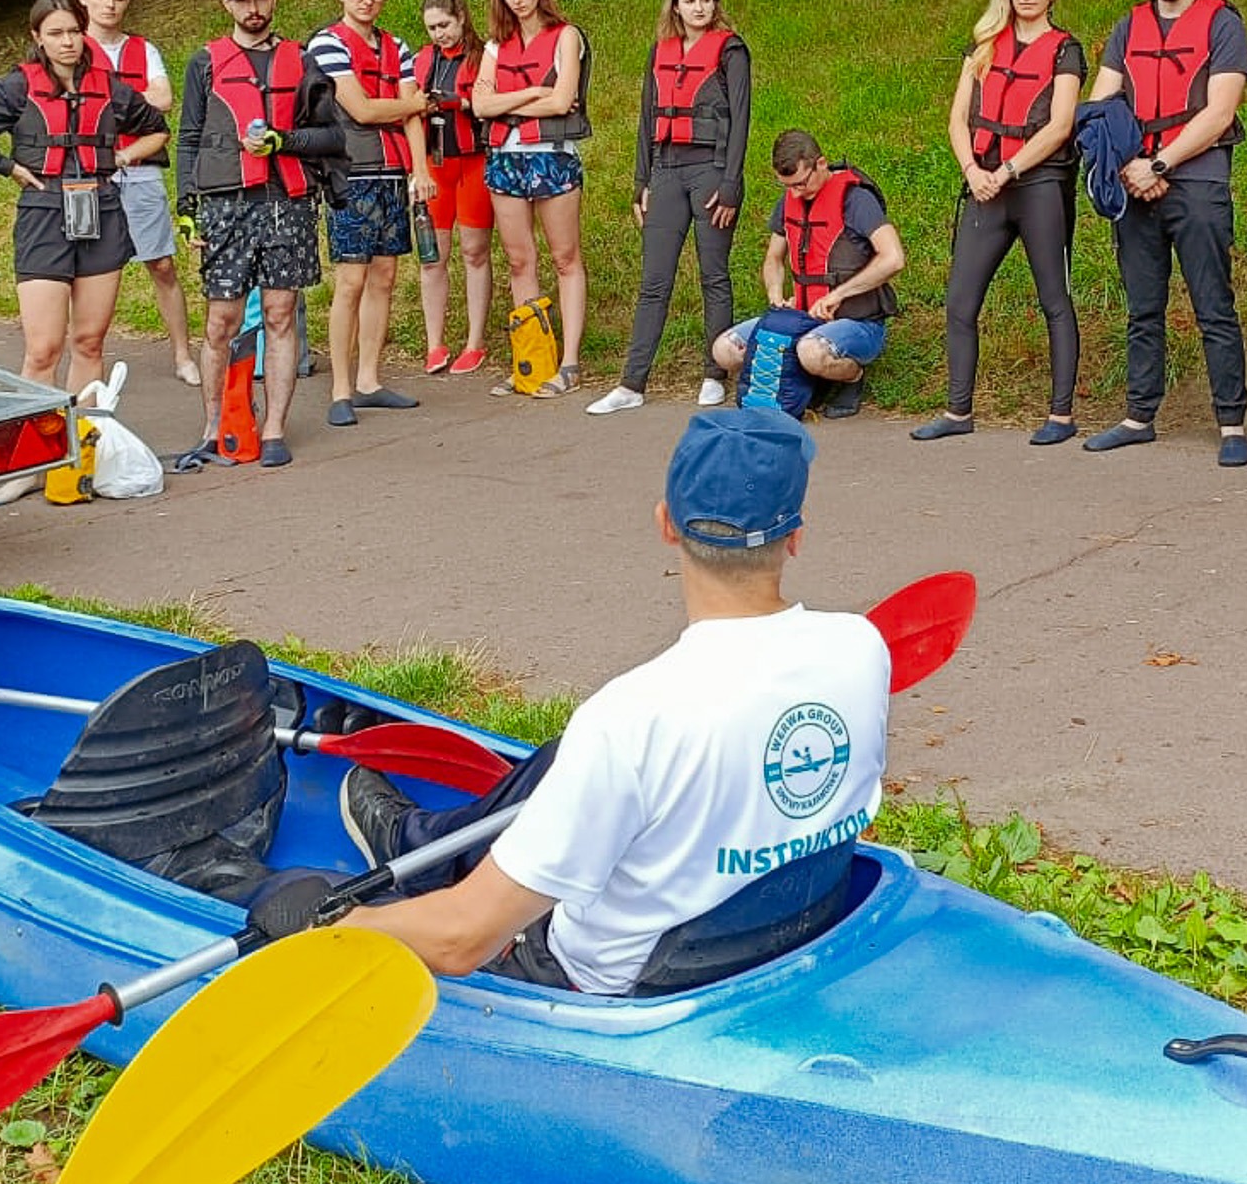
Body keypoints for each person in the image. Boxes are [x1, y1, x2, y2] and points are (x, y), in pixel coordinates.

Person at [289, 406, 891, 992]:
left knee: (280, 895)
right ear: (796, 537)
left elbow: (461, 941)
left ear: (665, 524)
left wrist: (332, 923)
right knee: (561, 758)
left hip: (605, 978)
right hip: (769, 931)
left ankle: (415, 859)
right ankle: (429, 844)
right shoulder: (862, 649)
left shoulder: (629, 717)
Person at [0, 0, 169, 503]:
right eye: (55, 33)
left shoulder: (110, 89)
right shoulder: (16, 88)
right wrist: (7, 166)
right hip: (44, 217)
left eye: (73, 31)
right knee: (42, 349)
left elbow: (157, 131)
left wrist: (119, 159)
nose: (68, 41)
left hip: (102, 214)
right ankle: (25, 463)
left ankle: (77, 460)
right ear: (37, 39)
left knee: (90, 342)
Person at [1080, 0, 1247, 465]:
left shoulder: (1223, 24)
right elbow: (1101, 106)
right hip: (1134, 177)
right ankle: (1138, 416)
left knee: (1213, 304)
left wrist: (1159, 162)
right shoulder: (1128, 27)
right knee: (1143, 306)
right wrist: (1129, 165)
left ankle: (1231, 423)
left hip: (1197, 177)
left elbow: (1221, 110)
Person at [172, 0, 345, 471]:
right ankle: (215, 425)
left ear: (273, 0)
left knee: (279, 315)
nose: (253, 9)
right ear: (226, 4)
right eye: (242, 0)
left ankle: (273, 429)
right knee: (222, 320)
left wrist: (282, 140)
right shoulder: (205, 63)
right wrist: (187, 208)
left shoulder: (302, 60)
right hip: (225, 207)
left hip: (286, 204)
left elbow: (333, 138)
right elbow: (188, 140)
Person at [911, 0, 1084, 446]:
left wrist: (1008, 169)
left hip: (1038, 185)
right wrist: (973, 169)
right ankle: (957, 410)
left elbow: (1059, 127)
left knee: (1054, 297)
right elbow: (957, 119)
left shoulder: (1063, 49)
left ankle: (1060, 415)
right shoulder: (984, 45)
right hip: (984, 185)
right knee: (960, 301)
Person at [589, 0, 750, 417]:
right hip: (666, 171)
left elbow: (740, 119)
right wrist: (641, 182)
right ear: (676, 6)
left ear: (715, 3)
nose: (699, 7)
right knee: (653, 282)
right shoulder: (660, 50)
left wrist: (731, 183)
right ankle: (631, 383)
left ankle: (713, 374)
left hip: (711, 172)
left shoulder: (731, 50)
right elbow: (646, 121)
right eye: (690, 0)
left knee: (713, 276)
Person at [307, 0, 433, 428]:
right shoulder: (327, 43)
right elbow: (359, 109)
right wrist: (406, 104)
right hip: (349, 173)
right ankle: (340, 389)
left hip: (391, 173)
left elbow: (413, 112)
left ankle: (369, 381)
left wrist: (420, 168)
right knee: (351, 281)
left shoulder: (396, 45)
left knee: (384, 278)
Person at [713, 131, 904, 418]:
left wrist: (838, 294)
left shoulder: (856, 200)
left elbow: (894, 258)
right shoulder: (791, 198)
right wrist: (776, 297)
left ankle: (851, 376)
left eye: (802, 183)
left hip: (859, 323)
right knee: (724, 350)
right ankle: (809, 380)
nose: (797, 192)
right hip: (803, 319)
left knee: (811, 352)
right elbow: (773, 259)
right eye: (789, 186)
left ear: (821, 164)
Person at [76, 0, 198, 385]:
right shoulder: (72, 47)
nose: (110, 5)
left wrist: (104, 106)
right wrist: (133, 104)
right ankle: (87, 360)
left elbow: (163, 99)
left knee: (162, 265)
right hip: (87, 175)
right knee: (88, 273)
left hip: (141, 169)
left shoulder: (143, 49)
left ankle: (183, 354)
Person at [473, 0, 591, 396]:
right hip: (506, 158)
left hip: (551, 156)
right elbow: (479, 107)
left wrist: (507, 101)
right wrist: (532, 93)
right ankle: (533, 358)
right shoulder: (495, 46)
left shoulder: (566, 36)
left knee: (565, 257)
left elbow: (562, 102)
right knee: (520, 261)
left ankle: (570, 362)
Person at [413, 0, 494, 378]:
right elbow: (409, 111)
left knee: (474, 251)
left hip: (473, 161)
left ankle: (475, 342)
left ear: (461, 17)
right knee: (433, 255)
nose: (439, 34)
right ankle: (435, 343)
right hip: (435, 166)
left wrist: (457, 103)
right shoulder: (422, 59)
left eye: (444, 24)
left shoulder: (481, 55)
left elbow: (487, 105)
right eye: (431, 27)